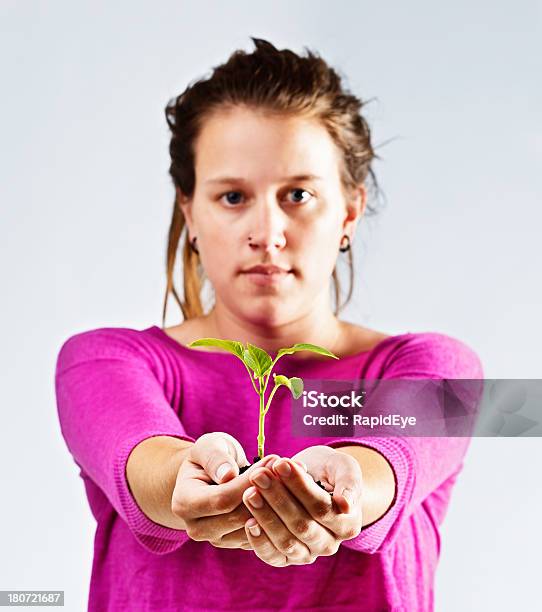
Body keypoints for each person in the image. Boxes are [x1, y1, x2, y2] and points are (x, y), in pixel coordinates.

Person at [54, 37, 484, 611]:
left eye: (298, 194)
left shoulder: (441, 368)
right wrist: (189, 476)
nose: (266, 231)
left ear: (349, 211)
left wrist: (338, 488)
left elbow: (390, 462)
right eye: (232, 196)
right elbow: (143, 459)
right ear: (190, 211)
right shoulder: (101, 360)